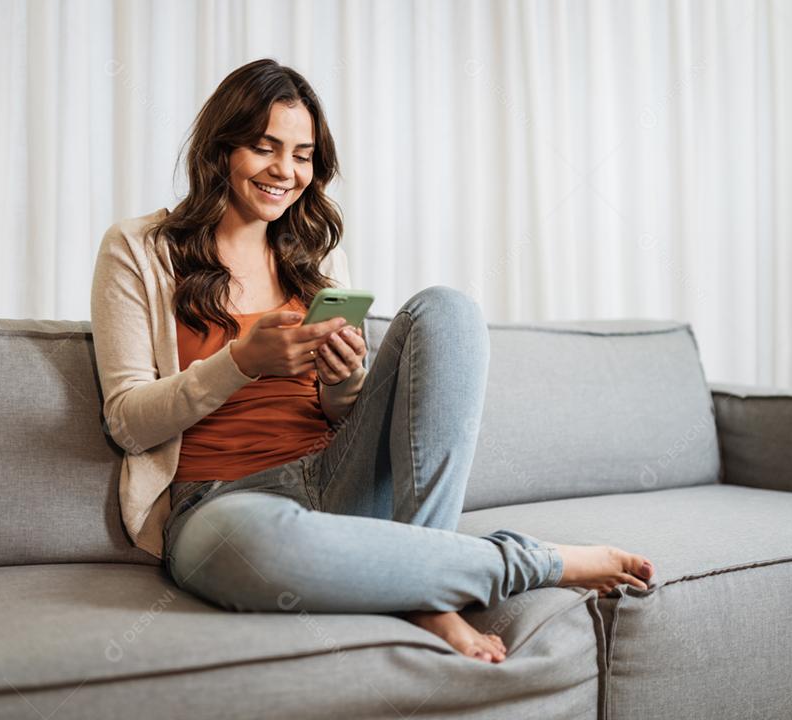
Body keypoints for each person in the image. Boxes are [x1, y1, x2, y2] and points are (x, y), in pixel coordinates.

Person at [90, 58, 655, 664]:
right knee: (267, 551)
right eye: (264, 147)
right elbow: (126, 420)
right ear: (220, 149)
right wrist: (240, 362)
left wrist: (345, 377)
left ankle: (425, 589)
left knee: (448, 310)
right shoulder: (140, 249)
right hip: (220, 506)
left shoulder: (314, 260)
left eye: (303, 155)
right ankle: (529, 564)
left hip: (336, 474)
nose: (286, 171)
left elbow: (341, 412)